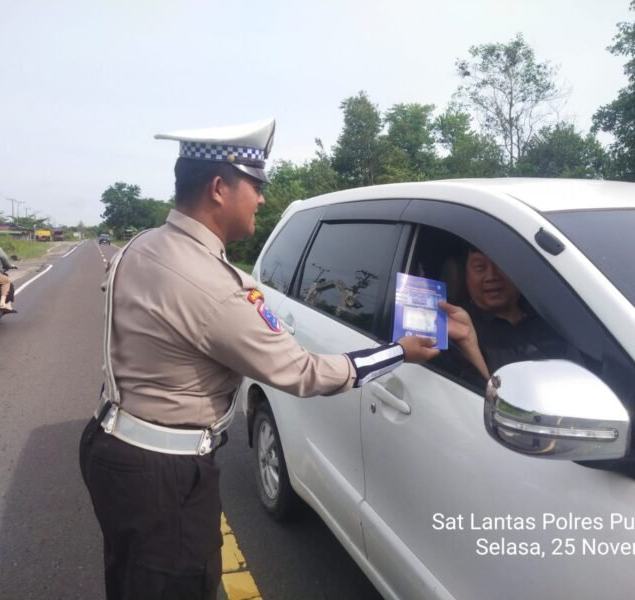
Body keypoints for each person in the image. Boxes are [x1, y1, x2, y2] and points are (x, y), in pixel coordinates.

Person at [78, 118, 449, 600]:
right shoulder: (213, 286)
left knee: (131, 581)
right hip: (163, 476)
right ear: (218, 188)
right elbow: (303, 372)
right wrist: (400, 350)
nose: (262, 199)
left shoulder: (143, 245)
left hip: (112, 446)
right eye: (255, 186)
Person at [440, 246, 580, 385]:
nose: (491, 276)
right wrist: (470, 346)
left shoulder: (552, 320)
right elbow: (474, 398)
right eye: (480, 268)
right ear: (465, 275)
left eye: (501, 265)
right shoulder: (456, 330)